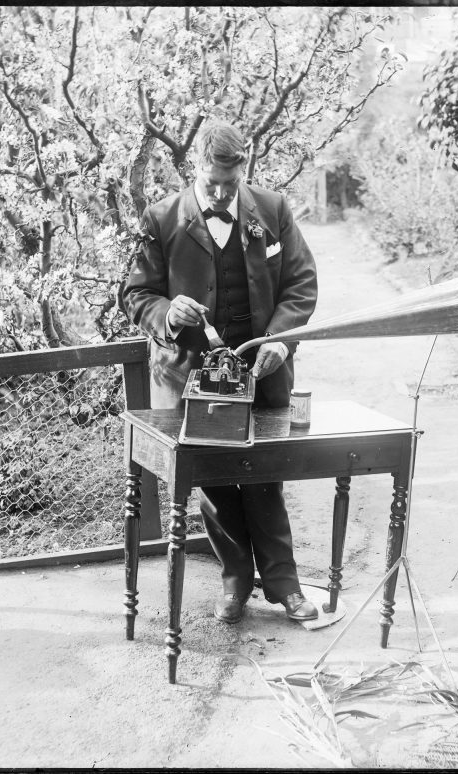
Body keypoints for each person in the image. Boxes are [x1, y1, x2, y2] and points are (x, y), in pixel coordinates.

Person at [122, 121, 319, 624]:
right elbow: (137, 294)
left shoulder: (273, 209)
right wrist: (168, 313)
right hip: (192, 379)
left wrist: (280, 339)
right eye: (213, 183)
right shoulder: (161, 218)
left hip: (263, 373)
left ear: (243, 169)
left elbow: (301, 283)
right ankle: (235, 583)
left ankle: (285, 585)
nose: (222, 193)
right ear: (196, 167)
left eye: (231, 184)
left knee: (265, 477)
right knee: (214, 482)